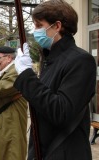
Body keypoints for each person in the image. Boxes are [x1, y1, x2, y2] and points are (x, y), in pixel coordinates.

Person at [13, 0, 96, 159]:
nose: (35, 31)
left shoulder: (81, 60)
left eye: (39, 25)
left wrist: (26, 75)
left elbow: (61, 112)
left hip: (64, 152)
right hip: (46, 149)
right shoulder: (51, 59)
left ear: (57, 26)